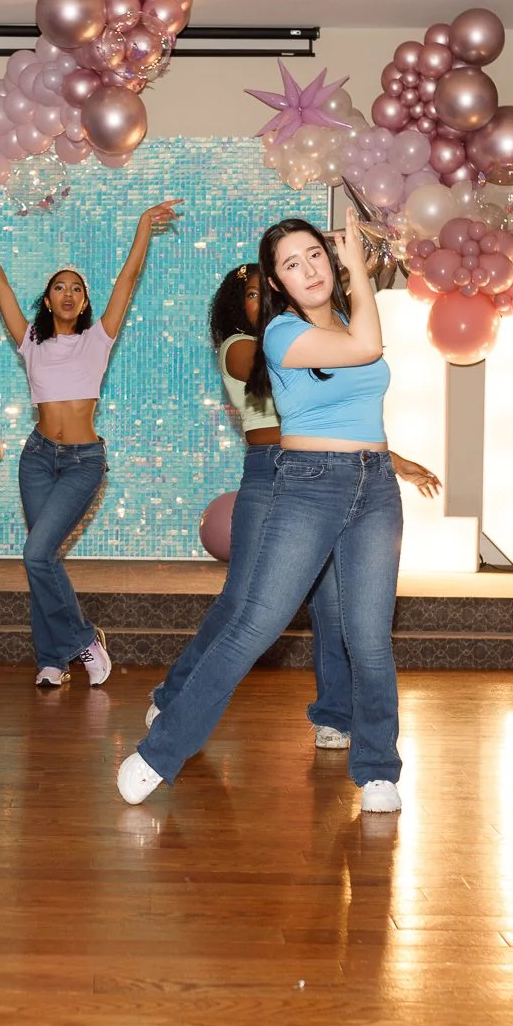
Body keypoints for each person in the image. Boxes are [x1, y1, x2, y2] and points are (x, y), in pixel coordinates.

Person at [120, 211, 410, 814]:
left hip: (375, 484)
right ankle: (159, 752)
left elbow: (362, 362)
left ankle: (379, 768)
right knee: (255, 623)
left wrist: (356, 282)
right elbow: (367, 349)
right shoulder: (279, 334)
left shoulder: (354, 320)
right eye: (290, 264)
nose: (308, 270)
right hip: (309, 483)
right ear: (277, 283)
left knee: (369, 639)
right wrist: (360, 266)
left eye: (314, 256)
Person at [147, 264, 439, 750]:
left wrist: (396, 460)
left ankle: (333, 715)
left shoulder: (303, 340)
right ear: (238, 307)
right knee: (242, 601)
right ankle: (175, 692)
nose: (262, 301)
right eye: (254, 295)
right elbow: (271, 365)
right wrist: (320, 318)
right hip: (270, 474)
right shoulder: (242, 346)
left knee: (330, 602)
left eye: (269, 293)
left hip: (326, 470)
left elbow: (341, 423)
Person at [0, 200, 181, 690]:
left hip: (82, 462)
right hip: (37, 459)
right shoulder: (30, 340)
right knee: (44, 557)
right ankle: (51, 657)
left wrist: (142, 225)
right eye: (61, 287)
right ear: (49, 299)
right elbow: (1, 288)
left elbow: (128, 278)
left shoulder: (99, 338)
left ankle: (83, 640)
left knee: (36, 555)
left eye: (77, 288)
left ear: (85, 301)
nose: (69, 293)